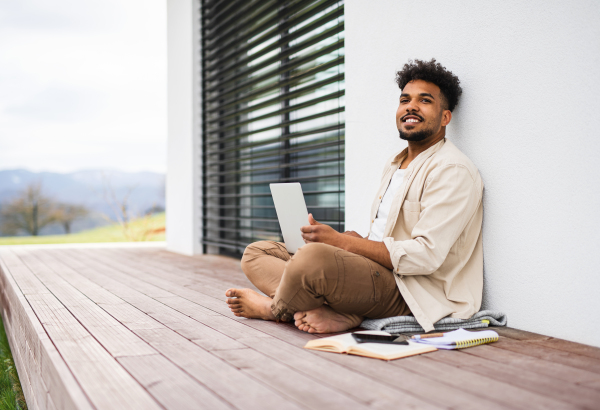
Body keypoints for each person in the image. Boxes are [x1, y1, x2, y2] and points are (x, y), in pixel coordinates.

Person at [226, 59, 484, 334]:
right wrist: (356, 241)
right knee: (257, 253)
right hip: (376, 271)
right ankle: (333, 310)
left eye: (425, 101)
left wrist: (340, 244)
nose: (411, 106)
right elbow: (388, 236)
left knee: (311, 261)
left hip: (411, 288)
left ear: (445, 117)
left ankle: (275, 309)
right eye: (405, 99)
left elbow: (425, 256)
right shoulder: (396, 164)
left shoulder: (452, 170)